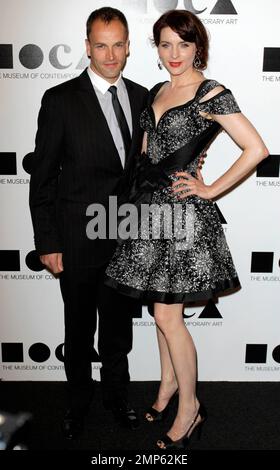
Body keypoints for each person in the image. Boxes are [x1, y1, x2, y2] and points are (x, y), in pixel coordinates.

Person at [105, 9, 269, 450]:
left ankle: (190, 408)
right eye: (165, 44)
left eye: (183, 44)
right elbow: (145, 154)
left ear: (199, 47)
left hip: (182, 220)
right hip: (147, 217)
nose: (174, 54)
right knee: (164, 312)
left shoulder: (212, 93)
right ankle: (167, 388)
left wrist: (210, 188)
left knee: (165, 315)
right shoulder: (158, 89)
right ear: (156, 49)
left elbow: (256, 148)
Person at [29, 7, 148, 439]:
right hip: (77, 240)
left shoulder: (142, 97)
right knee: (78, 330)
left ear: (129, 46)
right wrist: (48, 241)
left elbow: (141, 170)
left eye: (119, 44)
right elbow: (42, 178)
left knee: (118, 332)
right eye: (102, 45)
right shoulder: (60, 100)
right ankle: (77, 404)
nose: (111, 54)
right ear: (87, 47)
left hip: (125, 236)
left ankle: (118, 398)